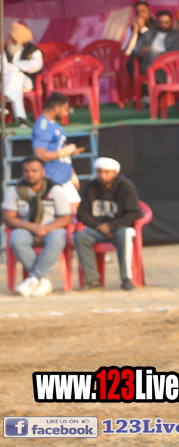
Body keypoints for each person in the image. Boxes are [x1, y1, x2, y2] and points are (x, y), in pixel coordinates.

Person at [3, 157, 72, 297]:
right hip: (25, 227)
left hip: (51, 228)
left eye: (34, 171)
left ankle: (34, 278)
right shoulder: (15, 190)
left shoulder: (55, 189)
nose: (30, 174)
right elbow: (8, 218)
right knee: (16, 239)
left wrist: (45, 229)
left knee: (58, 238)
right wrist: (32, 227)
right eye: (26, 171)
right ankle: (42, 281)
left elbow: (65, 218)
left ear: (43, 172)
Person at [74, 157, 143, 291]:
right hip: (98, 230)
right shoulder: (91, 186)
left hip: (120, 229)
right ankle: (93, 280)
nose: (102, 176)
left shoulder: (126, 186)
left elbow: (135, 213)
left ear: (115, 174)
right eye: (99, 172)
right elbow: (81, 214)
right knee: (80, 237)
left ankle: (126, 279)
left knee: (125, 234)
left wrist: (111, 226)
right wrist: (99, 226)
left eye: (107, 172)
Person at [31, 92, 81, 212]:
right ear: (56, 108)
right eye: (65, 109)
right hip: (52, 179)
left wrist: (72, 174)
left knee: (76, 215)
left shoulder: (54, 125)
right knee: (62, 216)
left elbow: (59, 150)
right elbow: (40, 155)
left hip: (64, 178)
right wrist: (64, 152)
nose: (67, 113)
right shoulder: (42, 127)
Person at [2, 22, 43, 127]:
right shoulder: (6, 50)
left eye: (12, 38)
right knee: (15, 84)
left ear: (19, 39)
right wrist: (14, 69)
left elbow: (35, 66)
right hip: (9, 82)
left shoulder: (34, 51)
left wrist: (16, 67)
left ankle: (3, 101)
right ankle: (21, 119)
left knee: (15, 75)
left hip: (27, 82)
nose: (9, 40)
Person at [132, 11, 179, 76]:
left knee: (153, 53)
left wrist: (159, 54)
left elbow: (177, 52)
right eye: (160, 22)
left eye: (166, 22)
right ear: (156, 22)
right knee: (151, 52)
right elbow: (135, 50)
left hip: (167, 63)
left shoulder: (176, 35)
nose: (163, 25)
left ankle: (156, 74)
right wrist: (142, 51)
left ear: (171, 22)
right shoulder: (148, 34)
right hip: (148, 63)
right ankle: (155, 73)